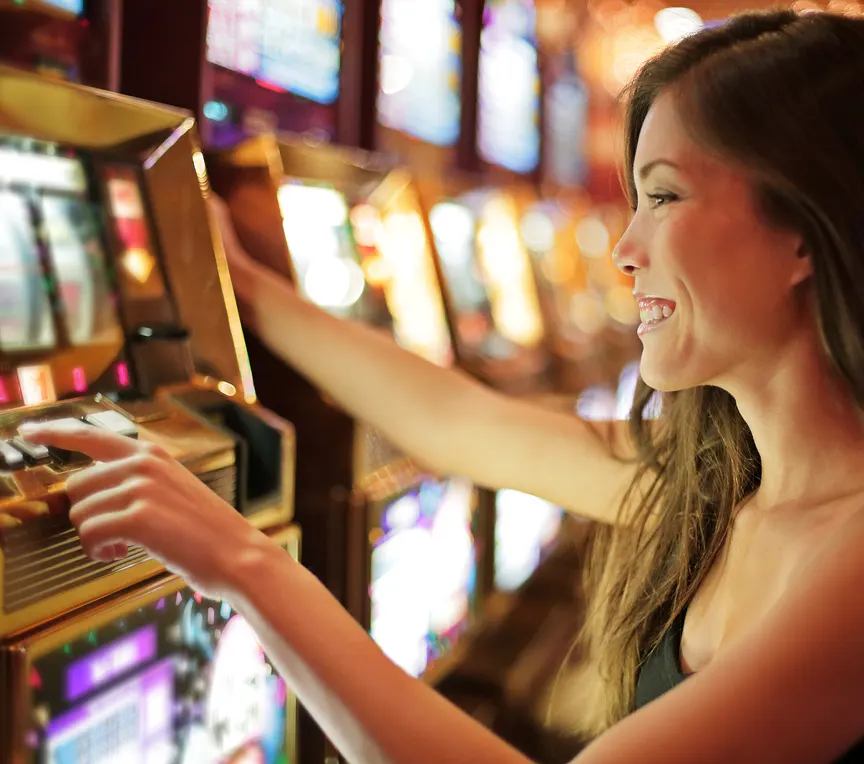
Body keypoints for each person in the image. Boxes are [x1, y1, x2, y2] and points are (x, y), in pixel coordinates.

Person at [20, 8, 864, 762]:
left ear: (803, 229)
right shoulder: (730, 481)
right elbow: (458, 421)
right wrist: (237, 284)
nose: (624, 247)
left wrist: (246, 564)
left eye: (665, 197)